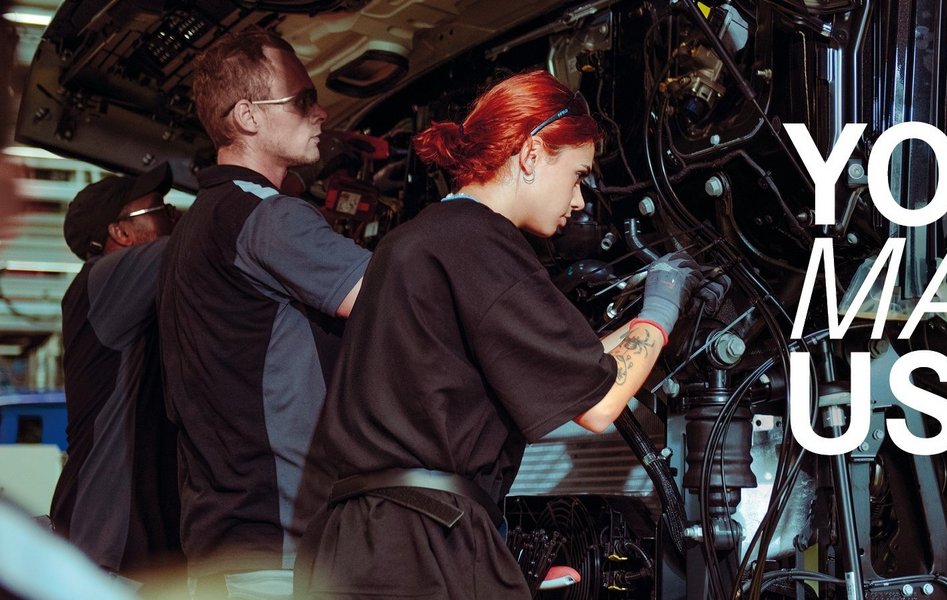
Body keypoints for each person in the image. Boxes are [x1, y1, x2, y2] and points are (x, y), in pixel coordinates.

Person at [294, 70, 724, 599]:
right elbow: (600, 404)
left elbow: (571, 366)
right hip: (423, 547)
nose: (579, 200)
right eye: (577, 175)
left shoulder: (419, 240)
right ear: (532, 154)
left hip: (352, 545)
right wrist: (661, 308)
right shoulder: (482, 242)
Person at [156, 27, 371, 600]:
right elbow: (404, 301)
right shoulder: (269, 217)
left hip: (226, 547)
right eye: (303, 100)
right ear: (248, 116)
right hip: (278, 553)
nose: (320, 112)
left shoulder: (199, 223)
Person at [51, 164, 182, 595]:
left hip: (135, 547)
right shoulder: (105, 277)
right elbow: (201, 240)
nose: (174, 214)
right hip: (109, 545)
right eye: (159, 209)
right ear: (121, 233)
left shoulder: (134, 294)